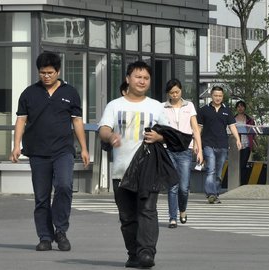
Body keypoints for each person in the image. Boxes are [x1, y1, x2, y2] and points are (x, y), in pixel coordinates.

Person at [10, 52, 90, 252]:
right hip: (37, 152)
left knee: (64, 186)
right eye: (42, 73)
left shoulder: (70, 92)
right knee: (42, 196)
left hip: (63, 150)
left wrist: (84, 148)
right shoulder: (29, 93)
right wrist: (16, 145)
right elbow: (21, 119)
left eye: (50, 72)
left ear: (58, 71)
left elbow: (77, 121)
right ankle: (45, 236)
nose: (46, 76)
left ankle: (61, 230)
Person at [98, 61, 170, 268]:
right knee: (127, 217)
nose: (142, 81)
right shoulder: (114, 105)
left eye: (146, 78)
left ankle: (147, 253)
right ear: (128, 79)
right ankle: (133, 253)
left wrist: (159, 136)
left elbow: (169, 135)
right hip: (121, 170)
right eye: (138, 77)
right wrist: (110, 135)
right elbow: (103, 128)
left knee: (147, 211)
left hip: (149, 169)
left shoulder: (156, 107)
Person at [162, 79, 203, 228]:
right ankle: (172, 217)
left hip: (185, 150)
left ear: (181, 91)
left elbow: (195, 128)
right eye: (172, 93)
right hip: (169, 150)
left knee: (184, 188)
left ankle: (183, 210)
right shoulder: (163, 108)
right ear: (168, 94)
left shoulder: (189, 106)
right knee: (172, 185)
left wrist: (199, 149)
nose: (175, 95)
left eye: (177, 92)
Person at [197, 86, 242, 204]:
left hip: (222, 145)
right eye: (215, 95)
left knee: (218, 172)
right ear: (211, 96)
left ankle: (215, 194)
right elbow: (199, 128)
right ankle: (210, 194)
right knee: (211, 169)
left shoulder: (227, 110)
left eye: (220, 96)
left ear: (223, 97)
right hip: (208, 144)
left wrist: (237, 139)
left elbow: (232, 126)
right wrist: (196, 143)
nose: (218, 98)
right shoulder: (203, 110)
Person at [234, 101, 256, 186]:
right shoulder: (233, 119)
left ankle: (243, 183)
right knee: (237, 164)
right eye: (238, 106)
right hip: (235, 145)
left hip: (246, 144)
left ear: (245, 108)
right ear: (236, 108)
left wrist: (255, 143)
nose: (240, 108)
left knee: (243, 164)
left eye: (242, 106)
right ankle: (236, 183)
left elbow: (253, 133)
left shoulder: (249, 119)